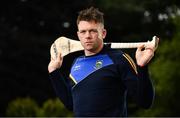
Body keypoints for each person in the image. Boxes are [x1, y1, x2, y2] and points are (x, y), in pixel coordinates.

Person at [48, 6, 158, 117]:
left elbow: (145, 102)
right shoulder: (77, 63)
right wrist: (54, 72)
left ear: (103, 33)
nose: (87, 36)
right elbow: (70, 103)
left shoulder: (119, 59)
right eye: (83, 32)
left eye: (93, 31)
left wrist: (142, 67)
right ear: (78, 35)